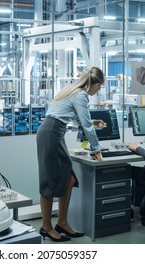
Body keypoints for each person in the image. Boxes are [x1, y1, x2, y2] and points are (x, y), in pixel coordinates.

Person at [36, 67, 105, 242]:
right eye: (100, 86)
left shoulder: (72, 90)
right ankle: (46, 226)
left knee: (69, 179)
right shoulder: (80, 95)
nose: (99, 90)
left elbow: (69, 118)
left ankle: (62, 222)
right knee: (49, 181)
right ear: (95, 84)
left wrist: (92, 122)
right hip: (52, 134)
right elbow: (86, 125)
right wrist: (96, 149)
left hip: (52, 132)